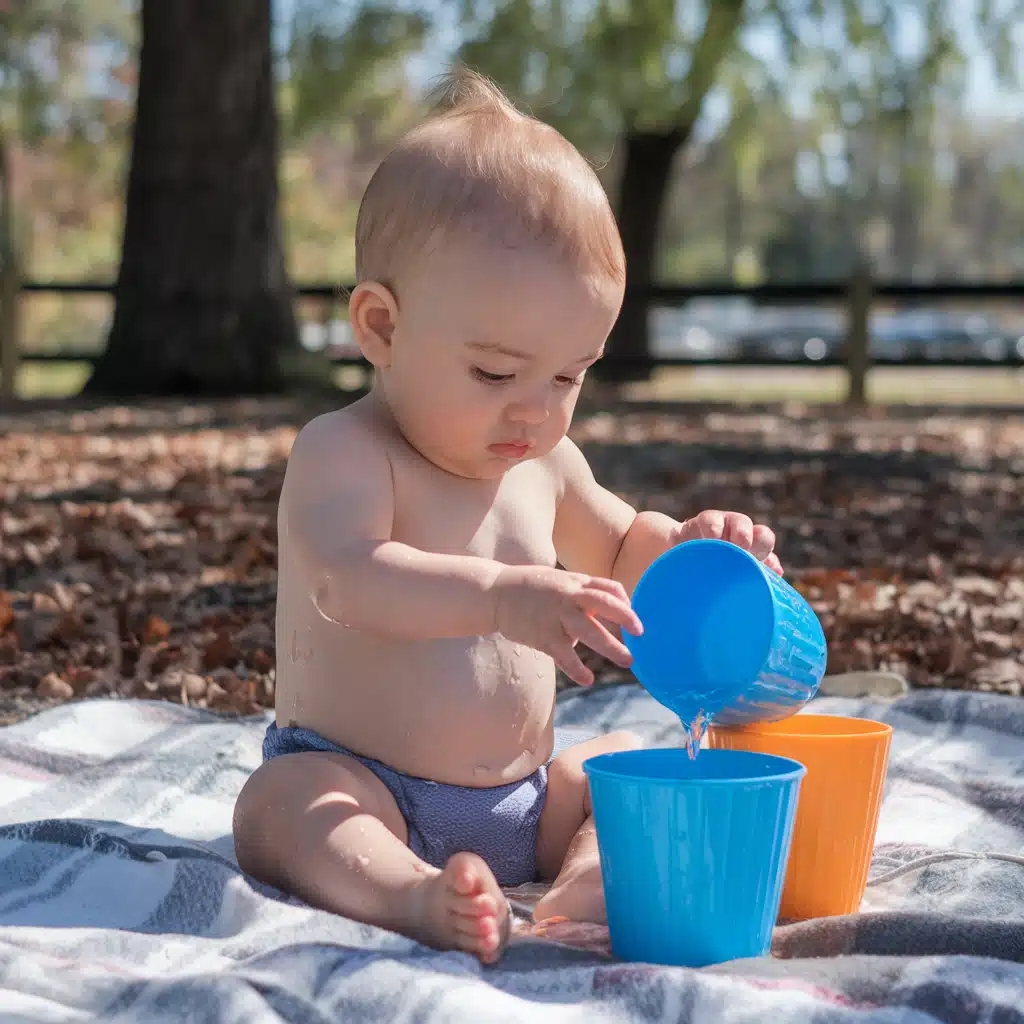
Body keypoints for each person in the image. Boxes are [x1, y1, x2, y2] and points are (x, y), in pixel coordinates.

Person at [232, 69, 782, 964]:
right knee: (279, 807)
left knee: (617, 769)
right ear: (380, 327)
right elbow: (349, 577)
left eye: (568, 377)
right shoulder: (344, 450)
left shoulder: (547, 464)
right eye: (495, 374)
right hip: (367, 784)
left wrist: (692, 550)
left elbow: (624, 548)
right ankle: (411, 895)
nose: (535, 412)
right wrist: (502, 596)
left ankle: (577, 879)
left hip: (525, 801)